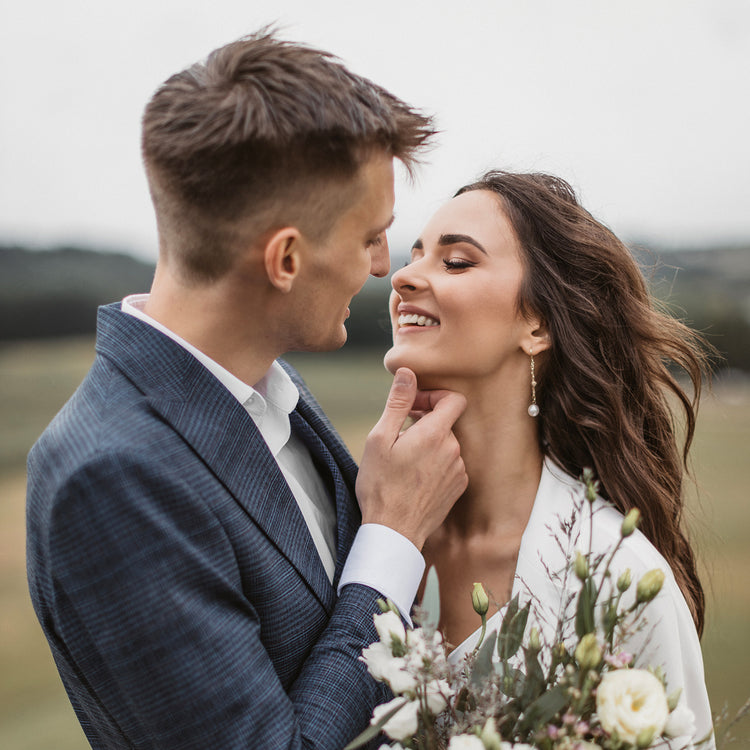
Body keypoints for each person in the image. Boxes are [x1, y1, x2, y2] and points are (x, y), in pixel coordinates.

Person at [26, 30, 469, 750]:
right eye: (370, 237)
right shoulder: (107, 478)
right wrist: (393, 536)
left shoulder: (269, 388)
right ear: (286, 258)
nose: (385, 266)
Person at [384, 170, 714, 743]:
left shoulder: (618, 581)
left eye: (456, 262)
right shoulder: (356, 537)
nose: (405, 276)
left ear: (537, 323)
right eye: (414, 257)